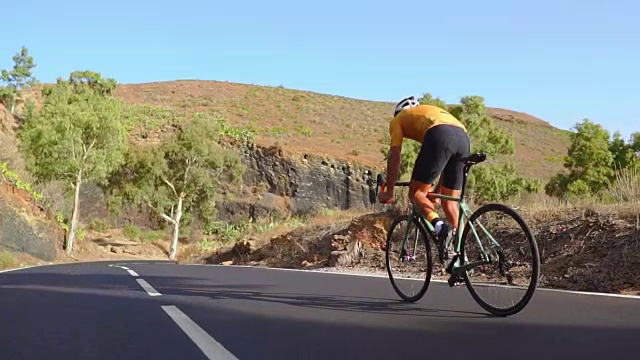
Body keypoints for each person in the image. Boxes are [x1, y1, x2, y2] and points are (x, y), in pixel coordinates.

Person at [377, 96, 470, 247]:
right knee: (450, 202)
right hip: (463, 136)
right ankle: (462, 255)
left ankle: (440, 227)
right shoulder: (429, 114)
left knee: (416, 193)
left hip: (440, 134)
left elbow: (394, 157)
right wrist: (437, 192)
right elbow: (444, 162)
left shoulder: (397, 120)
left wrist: (389, 191)